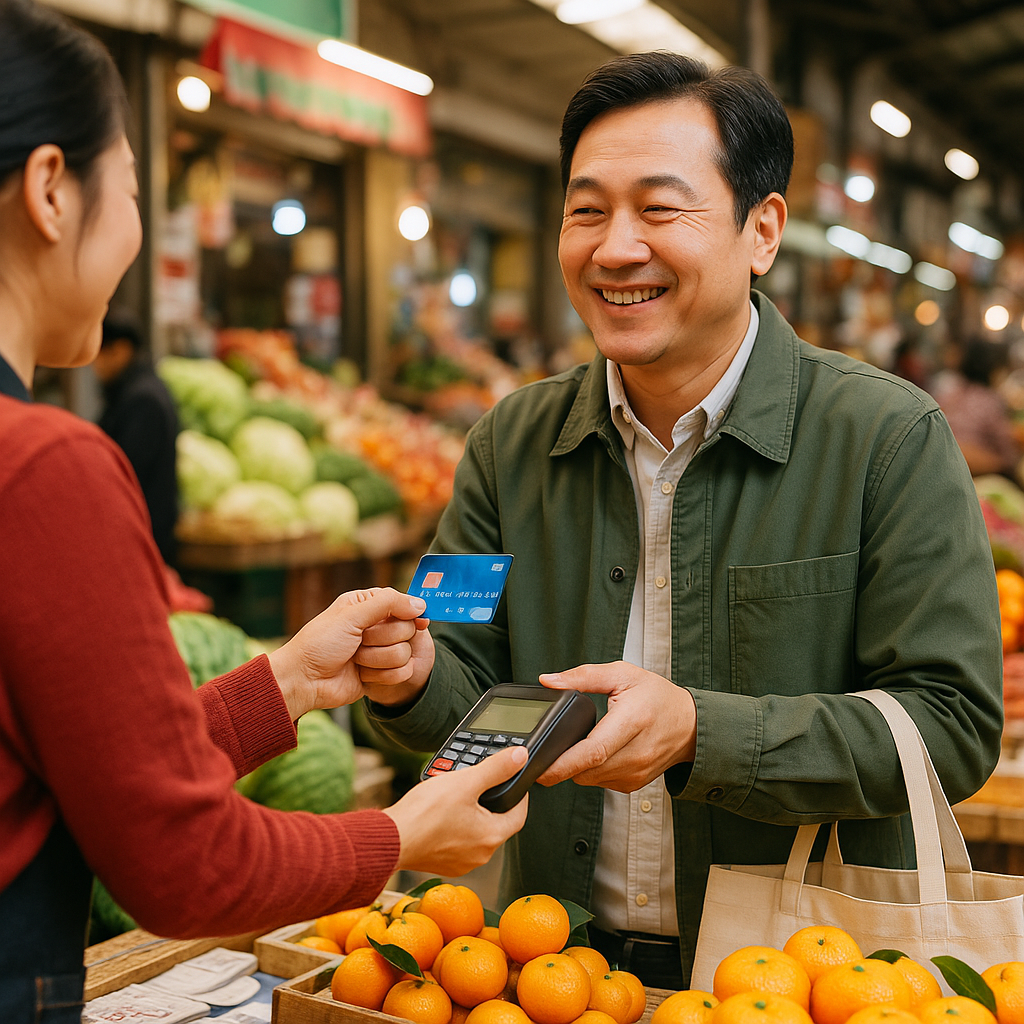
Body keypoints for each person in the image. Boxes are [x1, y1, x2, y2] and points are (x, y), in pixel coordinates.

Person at [362, 52, 1003, 987]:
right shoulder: (512, 443)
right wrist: (409, 678)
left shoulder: (885, 439)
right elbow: (466, 683)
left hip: (799, 982)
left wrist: (704, 733)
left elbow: (951, 724)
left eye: (660, 209)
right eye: (587, 211)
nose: (615, 249)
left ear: (762, 230)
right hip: (551, 973)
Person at [0, 3, 527, 1020]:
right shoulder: (44, 465)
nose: (135, 233)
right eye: (134, 191)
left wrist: (284, 683)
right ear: (52, 190)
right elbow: (181, 862)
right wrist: (404, 833)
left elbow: (104, 771)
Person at [93, 309, 180, 565]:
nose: (95, 364)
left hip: (144, 534)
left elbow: (125, 470)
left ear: (120, 350)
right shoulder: (139, 390)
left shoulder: (142, 400)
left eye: (100, 353)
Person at [932, 336, 1020, 477]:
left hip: (944, 471)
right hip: (978, 476)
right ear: (993, 368)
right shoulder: (990, 401)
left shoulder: (948, 395)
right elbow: (1007, 453)